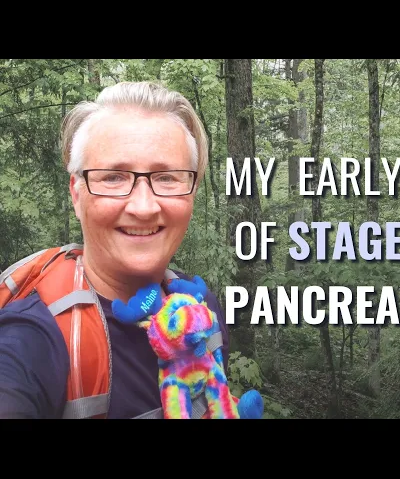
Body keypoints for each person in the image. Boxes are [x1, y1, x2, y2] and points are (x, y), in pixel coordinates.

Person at [0, 81, 229, 419]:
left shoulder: (200, 307)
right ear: (76, 194)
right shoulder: (33, 337)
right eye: (113, 178)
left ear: (192, 192)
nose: (143, 207)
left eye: (167, 178)